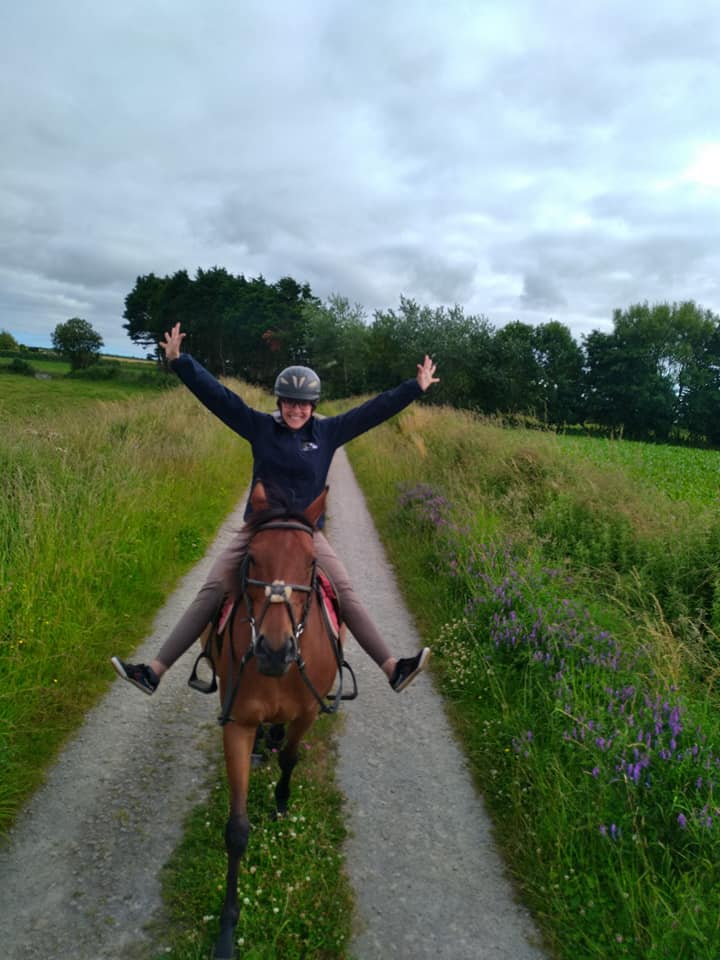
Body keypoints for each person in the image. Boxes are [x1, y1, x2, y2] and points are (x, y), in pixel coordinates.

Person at [111, 321, 439, 697]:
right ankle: (154, 671)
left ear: (313, 406)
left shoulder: (328, 433)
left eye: (302, 404)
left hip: (306, 535)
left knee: (343, 590)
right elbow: (219, 397)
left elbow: (373, 411)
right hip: (260, 532)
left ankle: (392, 667)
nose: (295, 410)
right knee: (215, 587)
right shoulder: (259, 427)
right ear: (279, 402)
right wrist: (180, 361)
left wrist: (415, 387)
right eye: (288, 402)